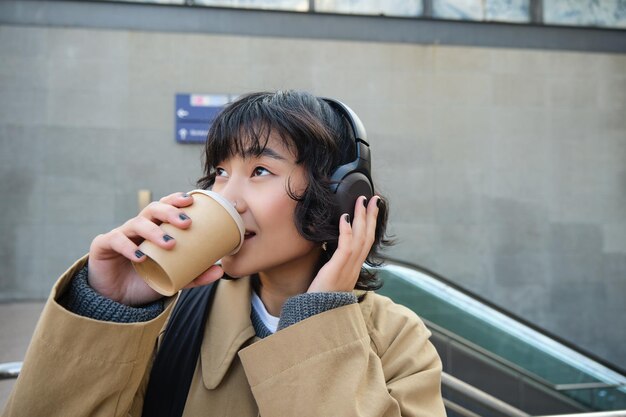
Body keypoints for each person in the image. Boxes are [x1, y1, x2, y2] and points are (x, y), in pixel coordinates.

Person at [2, 91, 446, 417]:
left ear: (341, 196)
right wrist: (111, 306)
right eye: (219, 171)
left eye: (259, 170)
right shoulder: (172, 320)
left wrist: (318, 320)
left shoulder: (398, 340)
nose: (226, 196)